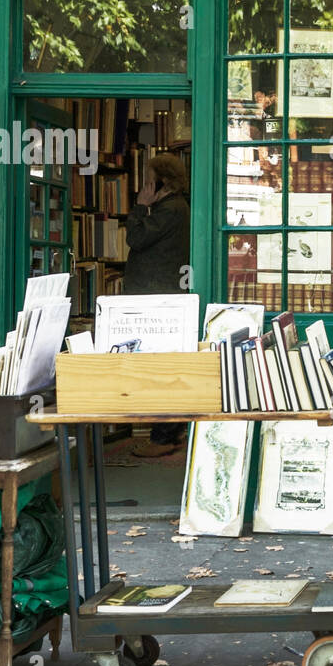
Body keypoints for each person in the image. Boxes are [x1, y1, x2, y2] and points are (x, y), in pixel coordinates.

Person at [124, 153, 191, 457]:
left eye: (150, 178)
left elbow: (136, 239)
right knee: (164, 362)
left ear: (161, 180)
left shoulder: (170, 209)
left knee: (156, 364)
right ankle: (170, 433)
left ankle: (162, 437)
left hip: (155, 295)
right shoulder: (173, 208)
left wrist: (140, 205)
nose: (145, 184)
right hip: (161, 293)